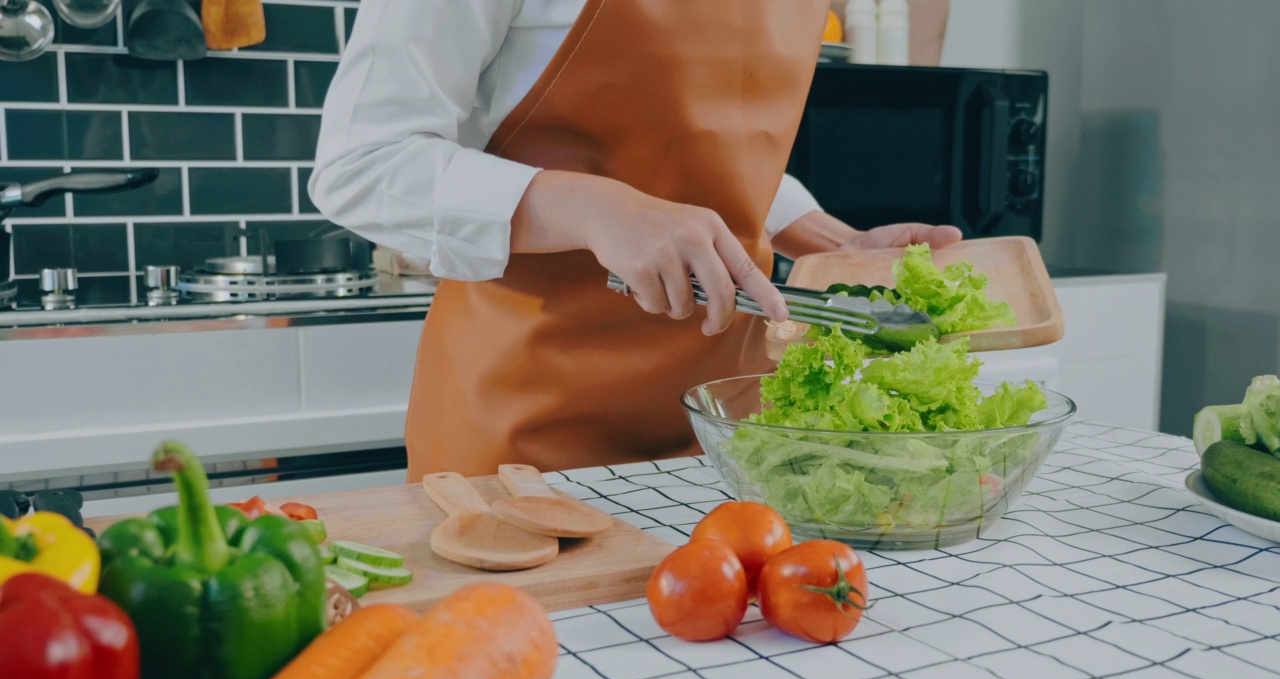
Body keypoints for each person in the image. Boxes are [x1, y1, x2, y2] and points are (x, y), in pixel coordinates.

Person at [310, 0, 961, 480]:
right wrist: (599, 209)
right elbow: (361, 166)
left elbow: (699, 131)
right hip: (522, 430)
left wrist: (831, 243)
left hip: (726, 425)